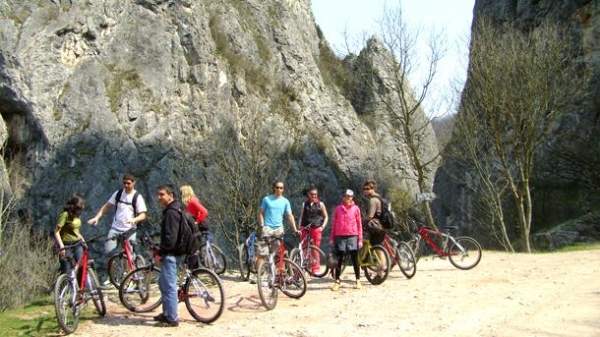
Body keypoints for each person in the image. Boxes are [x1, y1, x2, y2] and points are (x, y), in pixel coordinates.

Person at [87, 174, 148, 285]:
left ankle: (129, 277)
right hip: (115, 228)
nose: (126, 185)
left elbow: (143, 215)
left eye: (128, 183)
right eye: (124, 183)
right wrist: (97, 217)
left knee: (128, 255)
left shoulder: (137, 197)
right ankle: (112, 277)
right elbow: (107, 206)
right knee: (109, 252)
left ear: (134, 183)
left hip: (130, 230)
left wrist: (134, 220)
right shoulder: (118, 193)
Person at [154, 185, 183, 327]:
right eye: (158, 195)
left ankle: (172, 318)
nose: (159, 197)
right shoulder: (174, 209)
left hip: (170, 254)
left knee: (170, 286)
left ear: (170, 195)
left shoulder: (171, 213)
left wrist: (161, 252)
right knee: (163, 284)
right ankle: (166, 313)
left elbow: (170, 238)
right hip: (171, 253)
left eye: (162, 195)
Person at [256, 181, 299, 265]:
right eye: (277, 187)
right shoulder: (266, 199)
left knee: (277, 253)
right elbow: (260, 213)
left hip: (279, 229)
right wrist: (262, 225)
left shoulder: (285, 201)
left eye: (281, 188)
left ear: (283, 189)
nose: (279, 189)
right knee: (262, 252)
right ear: (274, 188)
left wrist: (295, 229)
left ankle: (275, 273)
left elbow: (290, 216)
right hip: (267, 227)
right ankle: (258, 275)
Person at [329, 189, 362, 291]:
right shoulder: (338, 209)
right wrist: (331, 238)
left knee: (354, 258)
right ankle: (337, 281)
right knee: (339, 259)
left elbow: (359, 224)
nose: (348, 198)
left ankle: (358, 280)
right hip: (340, 236)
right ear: (343, 197)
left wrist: (360, 239)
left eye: (350, 196)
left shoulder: (356, 209)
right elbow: (334, 224)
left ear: (352, 197)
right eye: (346, 196)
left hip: (353, 235)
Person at [298, 185, 328, 275]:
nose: (314, 196)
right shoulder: (304, 204)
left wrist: (322, 227)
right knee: (304, 247)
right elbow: (301, 216)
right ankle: (305, 266)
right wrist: (299, 227)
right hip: (305, 227)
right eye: (312, 194)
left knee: (315, 248)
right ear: (308, 194)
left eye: (315, 194)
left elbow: (326, 217)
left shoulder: (321, 204)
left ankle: (315, 268)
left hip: (316, 227)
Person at [54, 194, 86, 274]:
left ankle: (80, 285)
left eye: (81, 209)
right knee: (66, 270)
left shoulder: (77, 216)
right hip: (66, 245)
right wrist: (61, 247)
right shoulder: (65, 215)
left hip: (77, 243)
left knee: (81, 265)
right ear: (73, 207)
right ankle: (66, 283)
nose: (80, 211)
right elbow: (56, 232)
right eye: (78, 209)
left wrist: (83, 240)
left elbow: (76, 231)